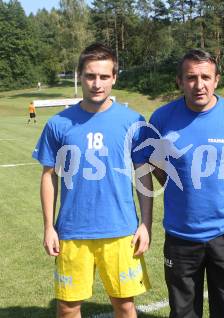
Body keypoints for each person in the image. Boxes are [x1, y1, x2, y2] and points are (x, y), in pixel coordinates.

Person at [32, 43, 152, 318]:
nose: (97, 83)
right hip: (73, 232)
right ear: (80, 76)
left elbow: (143, 174)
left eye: (103, 76)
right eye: (90, 76)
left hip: (121, 231)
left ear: (114, 78)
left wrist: (145, 224)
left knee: (124, 306)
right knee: (68, 308)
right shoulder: (58, 124)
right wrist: (49, 227)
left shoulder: (133, 121)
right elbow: (48, 176)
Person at [145, 49, 224, 318]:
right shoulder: (162, 118)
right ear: (179, 81)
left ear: (217, 79)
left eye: (205, 77)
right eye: (191, 77)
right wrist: (177, 185)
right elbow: (153, 162)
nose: (199, 85)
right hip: (181, 235)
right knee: (183, 312)